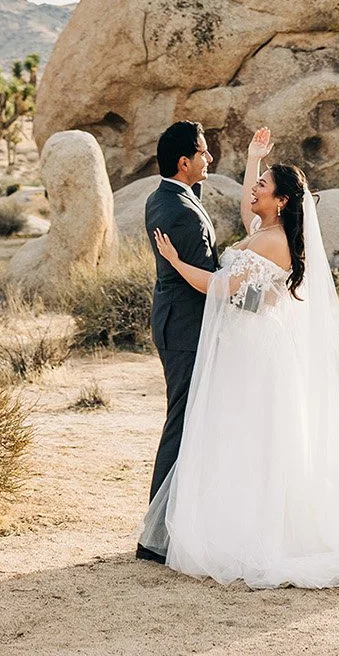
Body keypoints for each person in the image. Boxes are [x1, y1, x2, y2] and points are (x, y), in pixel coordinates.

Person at [138, 126, 339, 592]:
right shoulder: (267, 231)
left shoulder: (271, 241)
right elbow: (249, 219)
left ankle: (247, 530)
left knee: (248, 435)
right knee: (236, 432)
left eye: (263, 186)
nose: (254, 189)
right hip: (246, 340)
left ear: (280, 201)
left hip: (250, 346)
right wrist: (254, 159)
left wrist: (178, 264)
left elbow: (224, 285)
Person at [136, 120, 218, 563]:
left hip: (176, 323)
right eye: (203, 152)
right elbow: (206, 277)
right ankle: (157, 537)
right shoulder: (180, 212)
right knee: (182, 425)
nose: (210, 158)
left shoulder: (166, 196)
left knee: (189, 422)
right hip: (185, 328)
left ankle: (177, 524)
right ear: (184, 161)